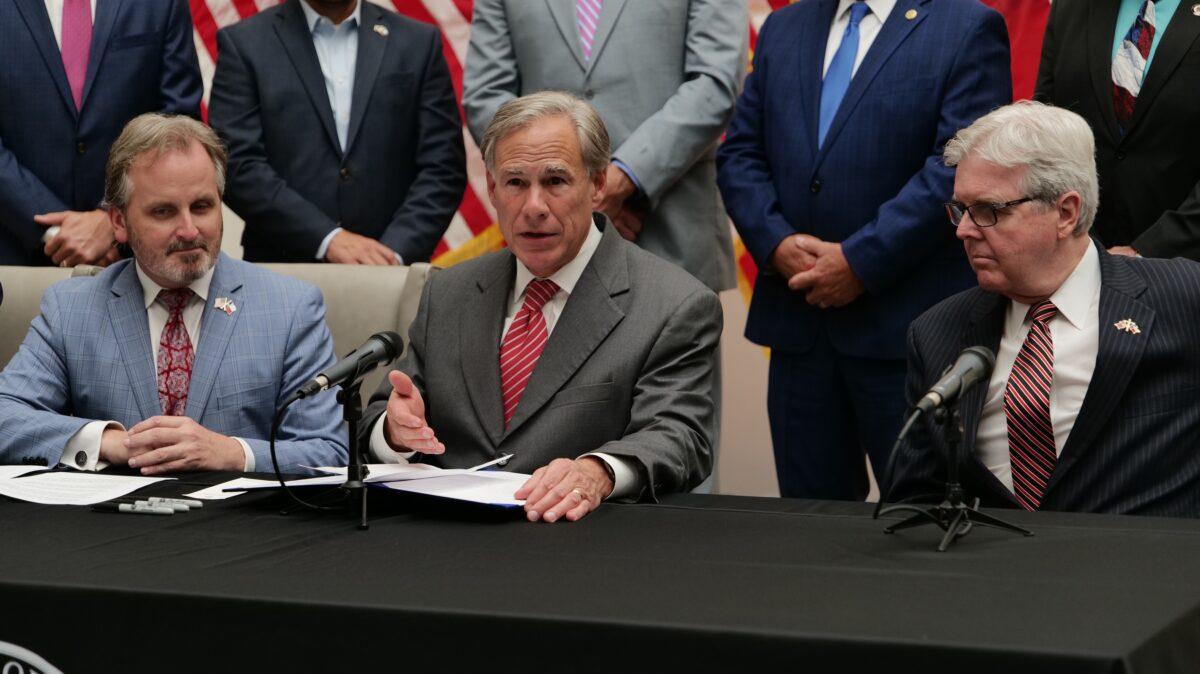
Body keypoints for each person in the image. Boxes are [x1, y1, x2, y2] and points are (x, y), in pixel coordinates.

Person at [361, 92, 721, 523]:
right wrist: (396, 434)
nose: (534, 207)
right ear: (492, 190)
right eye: (515, 183)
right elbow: (381, 416)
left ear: (598, 185)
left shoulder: (674, 304)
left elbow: (679, 436)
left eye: (555, 182)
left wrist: (598, 471)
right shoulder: (449, 291)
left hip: (580, 547)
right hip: (444, 546)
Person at [717, 0, 1012, 500]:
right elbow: (740, 153)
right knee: (811, 534)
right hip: (800, 325)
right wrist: (776, 243)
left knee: (921, 524)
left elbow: (956, 169)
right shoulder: (784, 27)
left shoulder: (966, 26)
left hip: (908, 331)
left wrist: (858, 261)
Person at [887, 101, 1200, 517]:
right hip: (995, 569)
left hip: (1135, 570)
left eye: (988, 211)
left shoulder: (1182, 297)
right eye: (961, 210)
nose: (963, 230)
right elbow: (915, 501)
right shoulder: (937, 334)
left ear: (1065, 213)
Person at [0, 114, 347, 474]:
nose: (189, 229)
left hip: (242, 526)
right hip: (110, 525)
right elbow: (5, 417)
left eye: (202, 206)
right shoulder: (73, 308)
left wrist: (230, 453)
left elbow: (328, 450)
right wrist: (110, 442)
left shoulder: (290, 309)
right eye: (164, 211)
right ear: (119, 222)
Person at [462, 0, 746, 293]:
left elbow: (715, 85)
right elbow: (486, 95)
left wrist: (624, 179)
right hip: (547, 246)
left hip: (665, 232)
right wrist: (576, 193)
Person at [208, 0, 466, 265]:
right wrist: (327, 238)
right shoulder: (245, 43)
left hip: (395, 274)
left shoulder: (417, 42)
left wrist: (390, 256)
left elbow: (443, 167)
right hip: (284, 270)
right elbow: (238, 165)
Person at [0, 0, 203, 266]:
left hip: (132, 257)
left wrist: (111, 219)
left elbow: (177, 122)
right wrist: (55, 232)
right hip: (17, 252)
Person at [1035, 0, 1200, 260]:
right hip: (1076, 262)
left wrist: (1147, 250)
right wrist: (1087, 250)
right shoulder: (1072, 7)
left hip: (1183, 272)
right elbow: (1045, 130)